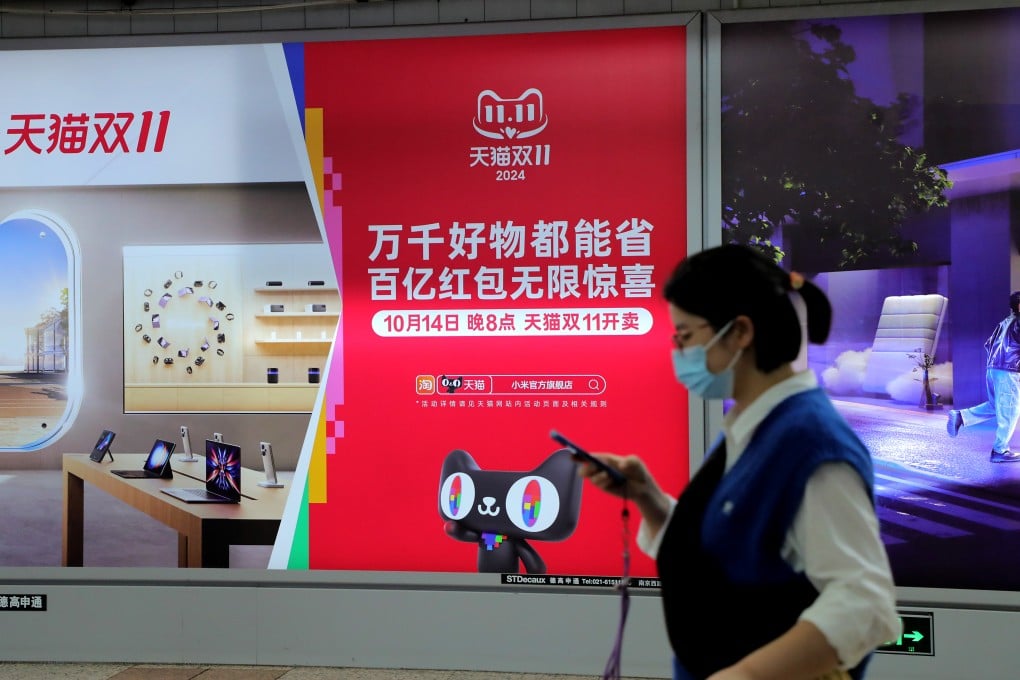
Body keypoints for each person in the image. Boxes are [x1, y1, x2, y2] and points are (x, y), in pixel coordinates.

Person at [579, 244, 898, 680]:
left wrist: (746, 674)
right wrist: (648, 499)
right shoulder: (751, 425)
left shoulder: (811, 444)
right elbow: (722, 550)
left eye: (685, 336)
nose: (677, 352)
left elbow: (865, 602)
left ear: (740, 332)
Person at [946, 291, 1020, 463]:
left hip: (994, 368)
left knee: (997, 406)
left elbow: (988, 344)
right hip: (1008, 370)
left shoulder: (1005, 322)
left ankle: (961, 417)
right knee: (1010, 410)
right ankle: (999, 450)